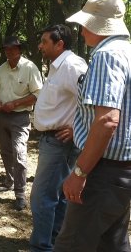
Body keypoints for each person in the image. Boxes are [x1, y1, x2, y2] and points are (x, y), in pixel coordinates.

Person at [54, 0, 131, 251]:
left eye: (85, 23)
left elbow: (108, 120)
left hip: (102, 171)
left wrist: (79, 172)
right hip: (121, 173)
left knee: (71, 244)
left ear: (98, 25)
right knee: (110, 243)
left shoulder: (106, 55)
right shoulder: (127, 52)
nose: (82, 29)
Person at [30, 24, 87, 251]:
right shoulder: (57, 66)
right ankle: (56, 241)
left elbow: (93, 101)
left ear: (59, 44)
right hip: (52, 141)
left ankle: (41, 247)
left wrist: (76, 127)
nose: (40, 46)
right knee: (59, 195)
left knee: (41, 197)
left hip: (59, 143)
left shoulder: (73, 66)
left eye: (44, 42)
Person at [0, 35, 43, 211]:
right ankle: (9, 181)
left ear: (20, 50)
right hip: (2, 117)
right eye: (6, 49)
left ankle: (20, 193)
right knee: (6, 152)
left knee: (19, 153)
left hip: (20, 118)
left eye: (12, 48)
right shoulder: (2, 68)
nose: (9, 52)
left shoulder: (30, 68)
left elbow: (38, 94)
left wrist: (16, 103)